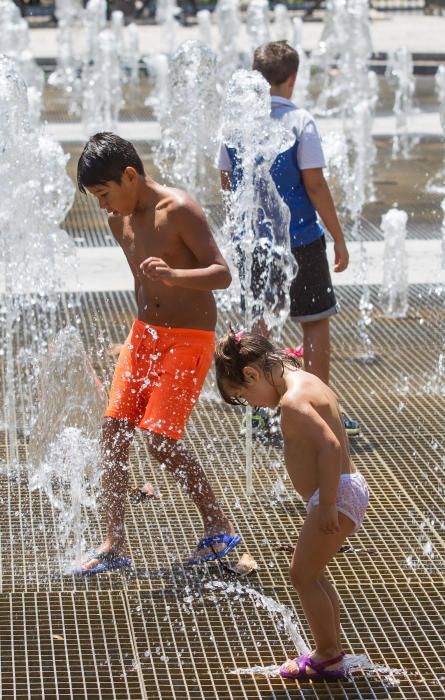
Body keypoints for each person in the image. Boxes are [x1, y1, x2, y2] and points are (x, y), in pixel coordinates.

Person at [75, 132, 240, 574]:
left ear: (130, 175)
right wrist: (132, 338)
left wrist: (175, 276)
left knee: (160, 441)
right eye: (96, 198)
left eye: (105, 194)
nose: (104, 207)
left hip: (189, 338)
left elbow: (222, 274)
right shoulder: (119, 221)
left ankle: (219, 528)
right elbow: (139, 280)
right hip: (144, 335)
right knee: (113, 433)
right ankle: (113, 544)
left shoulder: (179, 210)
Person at [217, 40, 360, 436]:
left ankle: (259, 409)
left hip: (252, 244)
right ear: (292, 79)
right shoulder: (300, 121)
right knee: (313, 323)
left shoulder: (235, 124)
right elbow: (314, 184)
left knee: (256, 326)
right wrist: (339, 238)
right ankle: (319, 406)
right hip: (300, 241)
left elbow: (227, 183)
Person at [215, 330, 369, 680]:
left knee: (301, 574)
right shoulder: (304, 379)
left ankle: (327, 655)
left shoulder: (292, 403)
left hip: (338, 494)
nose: (252, 404)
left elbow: (330, 446)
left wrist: (328, 503)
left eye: (245, 395)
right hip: (343, 489)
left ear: (252, 374)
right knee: (311, 573)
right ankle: (330, 647)